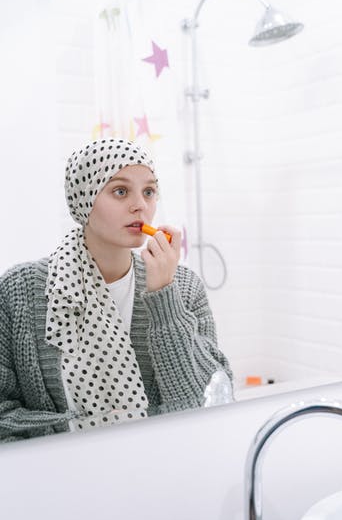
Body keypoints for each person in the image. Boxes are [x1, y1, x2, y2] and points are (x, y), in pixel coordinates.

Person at [0, 138, 232, 442]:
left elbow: (208, 404)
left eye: (149, 192)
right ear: (85, 198)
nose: (140, 205)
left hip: (161, 462)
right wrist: (83, 430)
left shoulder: (184, 286)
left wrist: (164, 297)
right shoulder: (19, 290)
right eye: (120, 191)